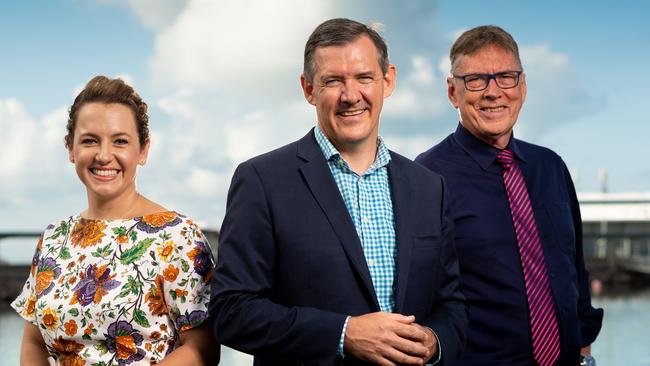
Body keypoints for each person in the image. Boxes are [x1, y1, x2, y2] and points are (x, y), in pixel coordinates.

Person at [210, 18, 467, 365]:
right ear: (308, 88)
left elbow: (451, 304)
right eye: (333, 81)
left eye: (364, 78)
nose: (351, 96)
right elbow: (232, 312)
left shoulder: (428, 186)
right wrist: (344, 334)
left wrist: (434, 342)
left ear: (387, 80)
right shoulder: (261, 180)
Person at [416, 25, 603, 366]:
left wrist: (584, 352)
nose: (493, 92)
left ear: (523, 86)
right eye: (475, 79)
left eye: (505, 77)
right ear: (452, 92)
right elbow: (420, 296)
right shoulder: (426, 177)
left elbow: (575, 269)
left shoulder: (551, 167)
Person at [11, 76, 219, 365]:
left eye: (120, 141)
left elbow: (202, 349)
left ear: (143, 150)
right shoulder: (53, 238)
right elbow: (33, 342)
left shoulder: (178, 236)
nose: (104, 155)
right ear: (71, 149)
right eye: (89, 140)